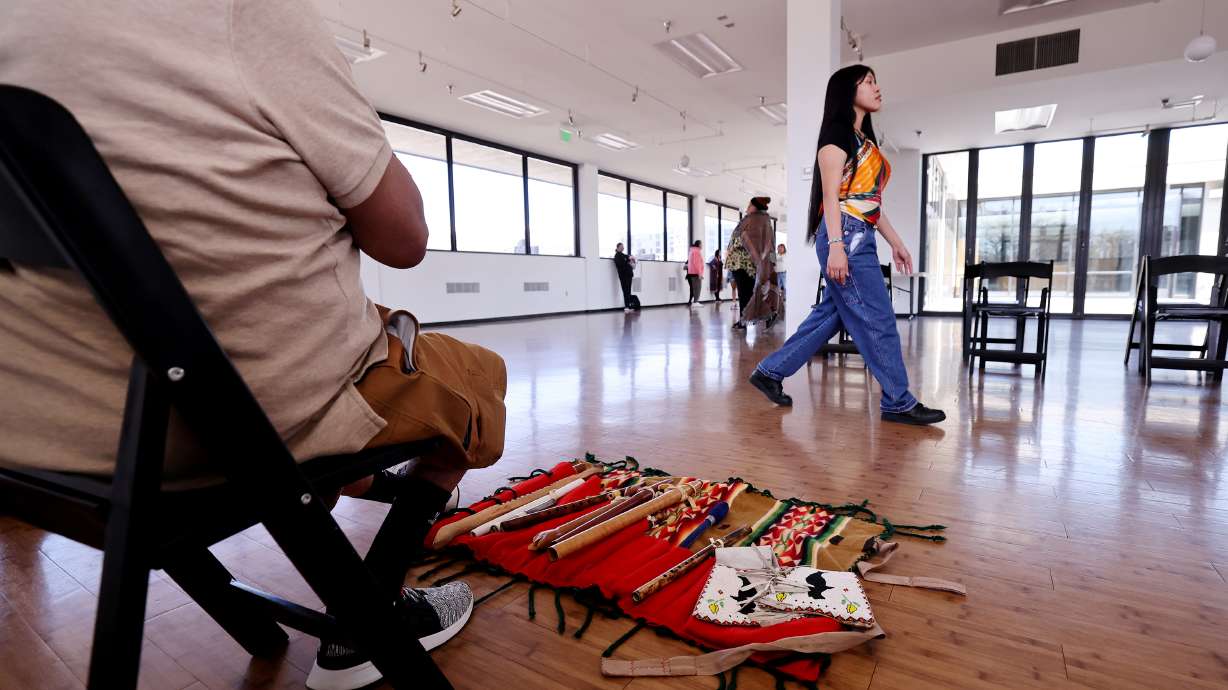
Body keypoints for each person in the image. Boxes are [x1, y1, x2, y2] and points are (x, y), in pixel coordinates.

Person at [0, 2, 505, 688]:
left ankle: (347, 486)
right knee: (478, 375)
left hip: (43, 441)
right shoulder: (239, 13)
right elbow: (404, 239)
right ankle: (369, 617)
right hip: (219, 425)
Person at [748, 65, 945, 426]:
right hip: (846, 237)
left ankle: (769, 372)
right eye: (868, 82)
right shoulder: (836, 136)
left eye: (875, 81)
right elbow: (831, 197)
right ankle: (898, 401)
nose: (876, 87)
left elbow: (869, 203)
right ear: (847, 90)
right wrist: (837, 245)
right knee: (879, 318)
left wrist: (896, 242)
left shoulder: (863, 140)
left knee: (832, 315)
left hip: (857, 233)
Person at [726, 197, 781, 330]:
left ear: (756, 207)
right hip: (740, 263)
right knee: (748, 293)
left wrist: (771, 263)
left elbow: (768, 244)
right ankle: (760, 316)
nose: (747, 208)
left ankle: (761, 316)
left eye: (749, 206)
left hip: (745, 263)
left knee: (746, 293)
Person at [613, 241, 637, 311]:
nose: (623, 248)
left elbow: (630, 259)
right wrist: (628, 260)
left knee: (628, 291)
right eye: (621, 247)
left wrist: (631, 259)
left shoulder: (624, 255)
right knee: (625, 291)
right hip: (624, 276)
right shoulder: (617, 256)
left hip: (629, 275)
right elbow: (621, 264)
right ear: (618, 247)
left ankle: (629, 306)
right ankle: (626, 306)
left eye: (623, 247)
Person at [685, 240, 704, 307]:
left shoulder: (692, 251)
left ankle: (695, 302)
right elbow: (697, 263)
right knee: (698, 287)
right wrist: (700, 273)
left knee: (695, 288)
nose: (702, 245)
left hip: (692, 272)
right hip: (696, 273)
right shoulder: (696, 251)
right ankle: (695, 302)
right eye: (701, 244)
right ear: (699, 244)